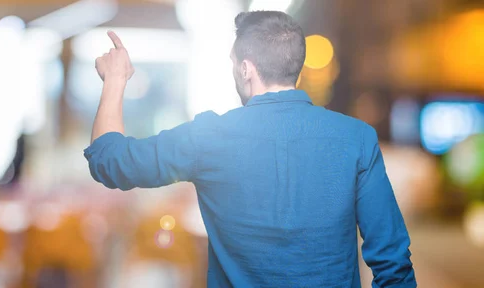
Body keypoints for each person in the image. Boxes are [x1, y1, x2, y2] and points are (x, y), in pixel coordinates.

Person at [85, 11, 416, 288]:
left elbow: (108, 160)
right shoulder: (356, 138)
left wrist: (115, 79)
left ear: (246, 68)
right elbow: (392, 263)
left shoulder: (208, 138)